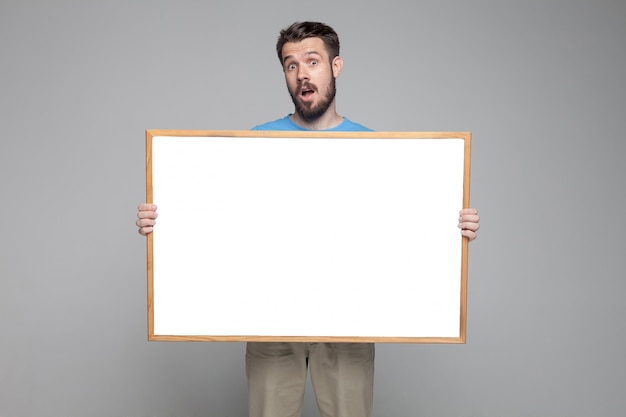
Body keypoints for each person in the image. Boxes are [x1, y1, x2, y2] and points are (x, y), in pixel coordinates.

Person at [136, 21, 480, 417]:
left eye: (312, 61)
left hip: (350, 319)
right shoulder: (256, 142)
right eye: (290, 64)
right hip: (270, 317)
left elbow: (399, 232)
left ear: (336, 67)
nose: (301, 73)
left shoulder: (375, 148)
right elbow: (222, 223)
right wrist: (164, 223)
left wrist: (452, 227)